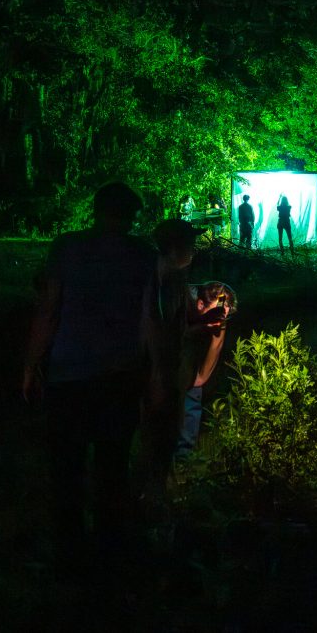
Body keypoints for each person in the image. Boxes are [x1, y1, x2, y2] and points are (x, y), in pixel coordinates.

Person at [22, 182, 157, 572]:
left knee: (67, 465)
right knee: (112, 466)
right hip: (120, 375)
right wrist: (154, 373)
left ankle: (69, 553)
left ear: (96, 209)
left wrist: (31, 364)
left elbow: (49, 310)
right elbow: (149, 320)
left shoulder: (66, 247)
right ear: (131, 216)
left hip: (70, 376)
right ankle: (110, 550)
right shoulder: (143, 255)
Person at [141, 218, 207, 513]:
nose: (194, 249)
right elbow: (159, 326)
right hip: (162, 370)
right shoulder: (164, 279)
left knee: (164, 432)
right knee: (161, 435)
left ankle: (156, 495)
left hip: (167, 368)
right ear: (174, 247)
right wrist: (157, 374)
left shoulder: (174, 278)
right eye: (189, 244)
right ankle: (153, 499)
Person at [176, 282, 238, 457]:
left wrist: (200, 379)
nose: (218, 321)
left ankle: (183, 461)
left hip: (191, 364)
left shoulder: (220, 308)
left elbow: (217, 343)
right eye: (215, 315)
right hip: (169, 359)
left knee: (192, 398)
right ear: (200, 304)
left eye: (223, 317)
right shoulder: (182, 300)